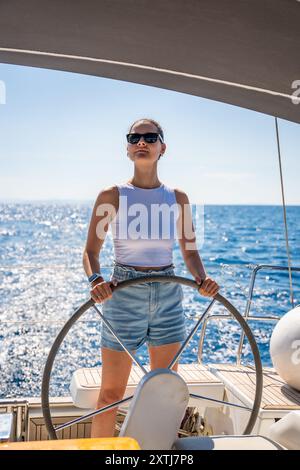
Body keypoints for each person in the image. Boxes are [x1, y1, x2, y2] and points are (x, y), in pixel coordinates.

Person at [82, 118, 219, 438]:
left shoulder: (178, 198)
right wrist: (95, 281)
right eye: (134, 137)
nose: (141, 142)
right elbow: (90, 252)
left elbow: (189, 252)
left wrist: (202, 279)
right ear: (128, 148)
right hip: (123, 294)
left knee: (165, 394)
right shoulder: (112, 195)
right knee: (110, 396)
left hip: (168, 294)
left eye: (150, 137)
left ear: (162, 147)